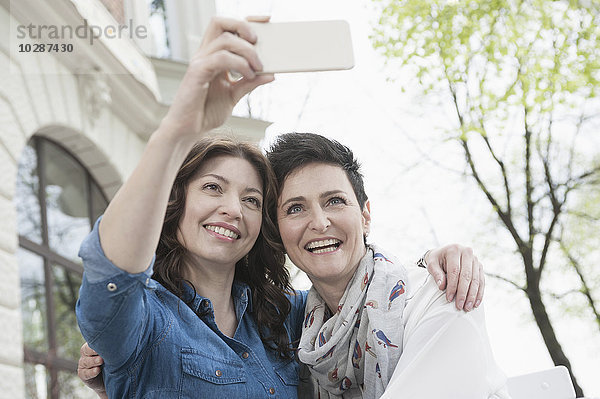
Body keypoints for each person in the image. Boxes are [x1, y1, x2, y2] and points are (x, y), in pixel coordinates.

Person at [75, 17, 487, 399]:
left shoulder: (286, 321)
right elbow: (111, 269)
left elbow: (352, 291)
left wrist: (435, 262)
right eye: (213, 188)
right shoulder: (141, 319)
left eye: (251, 200)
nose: (232, 209)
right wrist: (180, 128)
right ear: (176, 203)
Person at [267, 133, 510, 399]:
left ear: (365, 216)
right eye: (295, 208)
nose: (319, 222)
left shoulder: (442, 295)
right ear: (277, 233)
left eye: (334, 201)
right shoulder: (301, 334)